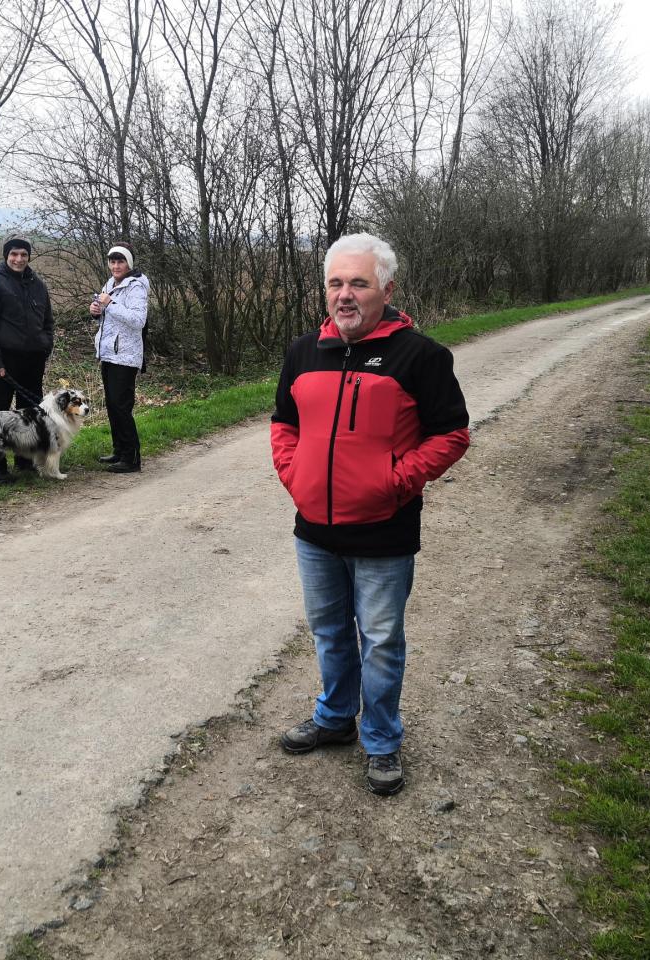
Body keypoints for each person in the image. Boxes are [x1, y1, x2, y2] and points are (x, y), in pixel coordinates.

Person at [270, 233, 470, 796]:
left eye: (358, 283)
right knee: (329, 633)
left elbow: (452, 434)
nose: (345, 294)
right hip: (314, 532)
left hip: (384, 532)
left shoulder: (421, 356)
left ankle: (381, 740)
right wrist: (296, 476)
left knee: (380, 642)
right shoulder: (303, 351)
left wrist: (394, 482)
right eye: (336, 283)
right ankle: (335, 719)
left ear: (387, 289)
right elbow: (283, 425)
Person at [0, 233, 55, 481]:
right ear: (6, 256)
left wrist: (45, 346)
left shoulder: (37, 285)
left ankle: (24, 461)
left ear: (29, 257)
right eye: (14, 254)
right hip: (4, 361)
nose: (19, 259)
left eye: (23, 254)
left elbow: (48, 321)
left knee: (29, 414)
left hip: (33, 360)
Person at [90, 242, 149, 474]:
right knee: (113, 405)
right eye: (112, 262)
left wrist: (110, 304)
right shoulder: (111, 283)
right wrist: (96, 311)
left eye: (120, 262)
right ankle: (119, 450)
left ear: (129, 263)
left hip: (126, 355)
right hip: (109, 353)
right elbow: (108, 315)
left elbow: (137, 320)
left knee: (121, 406)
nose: (116, 266)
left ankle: (131, 458)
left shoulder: (136, 287)